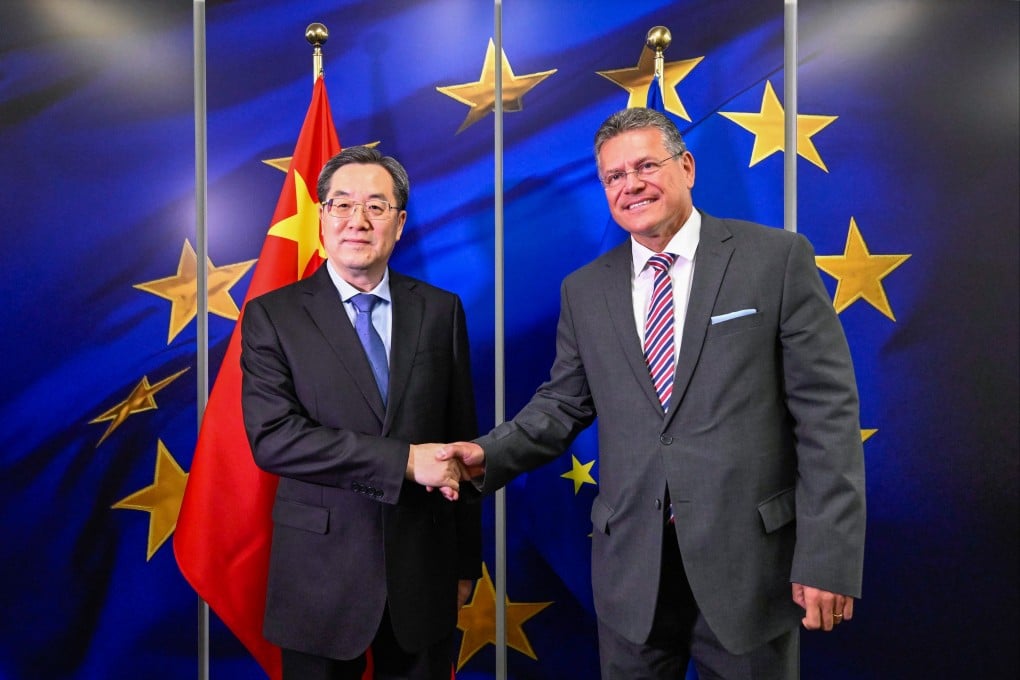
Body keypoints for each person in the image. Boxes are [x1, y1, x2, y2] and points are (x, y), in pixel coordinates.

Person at [436, 107, 866, 679]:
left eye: (645, 166)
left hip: (751, 573)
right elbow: (563, 404)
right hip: (631, 579)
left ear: (686, 167)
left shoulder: (776, 260)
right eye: (614, 176)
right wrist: (486, 454)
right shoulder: (585, 290)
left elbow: (828, 417)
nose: (631, 184)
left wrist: (827, 556)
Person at [240, 145, 480, 680]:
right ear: (321, 217)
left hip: (425, 572)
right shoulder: (272, 317)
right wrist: (403, 462)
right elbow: (274, 439)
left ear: (399, 222)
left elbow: (462, 442)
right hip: (319, 578)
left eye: (376, 206)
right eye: (342, 204)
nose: (358, 220)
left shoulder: (441, 310)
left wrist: (466, 563)